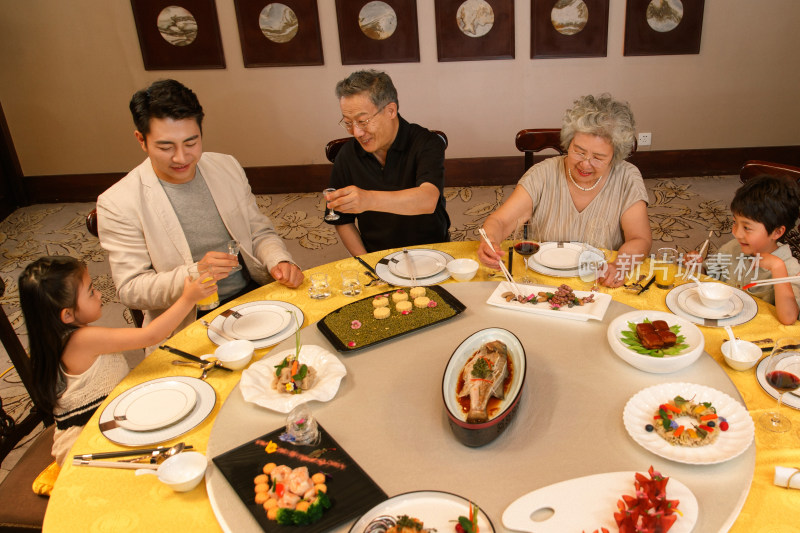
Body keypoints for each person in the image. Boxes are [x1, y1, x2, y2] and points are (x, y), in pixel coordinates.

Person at [97, 79, 303, 338]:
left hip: (251, 296)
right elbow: (131, 289)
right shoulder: (118, 202)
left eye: (191, 143)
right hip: (188, 319)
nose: (181, 158)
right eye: (165, 147)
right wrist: (194, 274)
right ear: (141, 140)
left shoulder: (226, 167)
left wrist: (278, 261)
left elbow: (258, 232)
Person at [18, 256, 217, 465]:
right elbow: (151, 336)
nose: (100, 294)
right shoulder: (83, 340)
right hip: (87, 439)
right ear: (67, 315)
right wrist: (188, 298)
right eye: (91, 291)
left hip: (106, 418)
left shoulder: (56, 339)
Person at [478, 94, 652, 287]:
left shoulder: (627, 178)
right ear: (568, 143)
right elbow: (500, 220)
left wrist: (619, 266)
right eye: (578, 151)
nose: (585, 164)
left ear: (615, 156)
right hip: (544, 281)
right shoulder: (543, 173)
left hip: (599, 280)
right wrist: (490, 241)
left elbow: (640, 238)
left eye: (598, 157)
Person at [324, 70, 450, 255]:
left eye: (362, 121)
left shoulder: (426, 142)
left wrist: (367, 200)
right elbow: (342, 220)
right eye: (348, 122)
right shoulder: (347, 155)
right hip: (378, 253)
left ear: (391, 110)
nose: (356, 133)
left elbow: (427, 199)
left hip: (432, 249)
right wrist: (366, 262)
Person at [702, 175, 800, 324]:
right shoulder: (733, 248)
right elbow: (707, 276)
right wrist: (695, 266)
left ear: (777, 232)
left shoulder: (790, 269)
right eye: (735, 222)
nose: (736, 233)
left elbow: (789, 318)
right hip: (725, 323)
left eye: (747, 227)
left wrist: (777, 268)